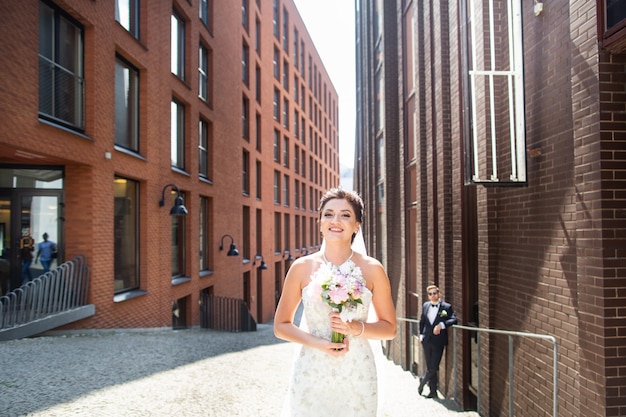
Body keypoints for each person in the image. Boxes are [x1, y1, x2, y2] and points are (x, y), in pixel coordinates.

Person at [274, 188, 397, 417]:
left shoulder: (372, 269)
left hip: (357, 371)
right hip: (312, 369)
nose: (335, 220)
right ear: (320, 222)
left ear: (357, 225)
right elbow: (281, 326)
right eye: (328, 214)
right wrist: (321, 344)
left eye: (345, 215)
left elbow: (390, 328)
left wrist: (354, 328)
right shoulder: (301, 268)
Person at [418, 284, 457, 398]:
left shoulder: (446, 307)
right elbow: (422, 321)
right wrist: (421, 334)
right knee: (430, 365)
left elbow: (454, 319)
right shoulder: (426, 306)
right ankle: (433, 391)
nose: (433, 295)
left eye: (435, 293)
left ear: (439, 294)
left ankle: (422, 382)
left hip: (438, 341)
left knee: (434, 367)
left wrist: (442, 324)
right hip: (426, 340)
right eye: (430, 294)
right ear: (428, 296)